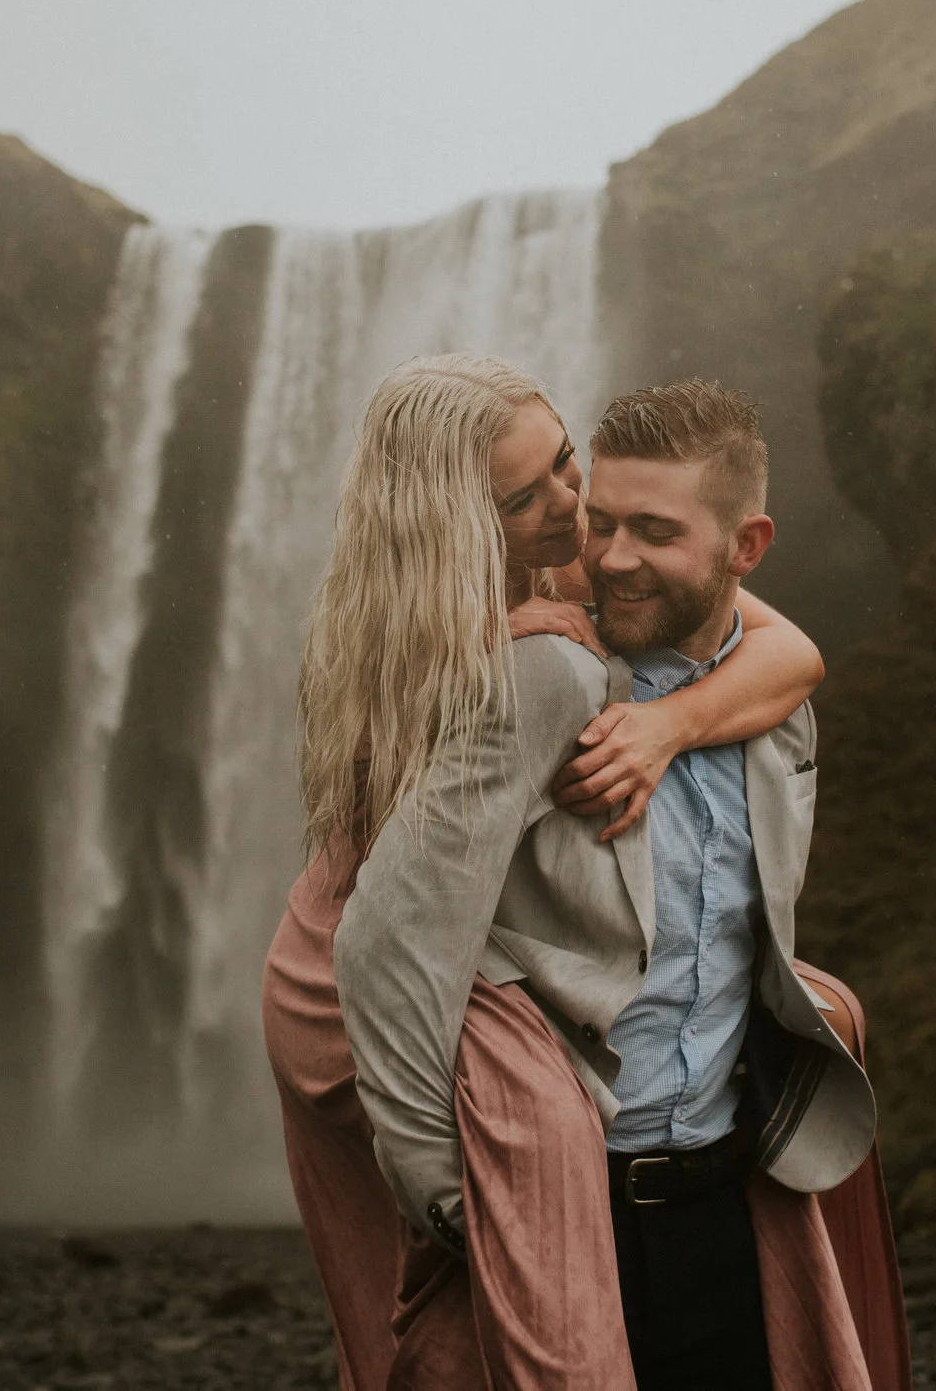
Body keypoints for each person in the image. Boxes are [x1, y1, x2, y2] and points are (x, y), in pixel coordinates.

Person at [263, 355, 840, 1389]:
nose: (581, 522)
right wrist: (452, 1198)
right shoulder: (538, 664)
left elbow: (788, 651)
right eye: (527, 497)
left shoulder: (609, 602)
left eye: (565, 465)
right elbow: (386, 939)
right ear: (462, 525)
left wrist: (668, 723)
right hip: (528, 1148)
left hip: (709, 1188)